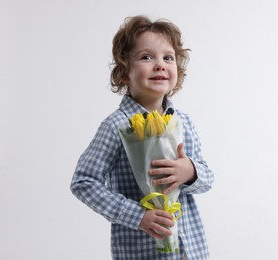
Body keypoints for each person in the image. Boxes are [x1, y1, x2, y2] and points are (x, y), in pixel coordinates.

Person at [70, 15, 214, 260]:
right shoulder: (117, 126)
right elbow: (84, 182)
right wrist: (137, 216)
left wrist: (189, 171)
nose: (159, 64)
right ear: (124, 72)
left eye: (168, 58)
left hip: (190, 251)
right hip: (141, 252)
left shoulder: (183, 122)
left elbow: (207, 178)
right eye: (146, 57)